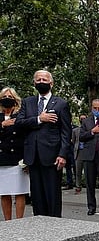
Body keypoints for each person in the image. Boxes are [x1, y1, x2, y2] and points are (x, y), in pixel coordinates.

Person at [16, 70, 72, 217]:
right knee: (37, 196)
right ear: (34, 83)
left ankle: (54, 226)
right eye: (38, 80)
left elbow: (66, 132)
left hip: (53, 157)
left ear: (51, 83)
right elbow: (19, 124)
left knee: (52, 195)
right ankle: (39, 226)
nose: (41, 82)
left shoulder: (61, 104)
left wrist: (63, 154)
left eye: (44, 79)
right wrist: (39, 119)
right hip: (33, 156)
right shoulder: (27, 102)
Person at [0, 87, 29, 220]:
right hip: (2, 159)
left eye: (10, 97)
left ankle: (19, 222)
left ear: (16, 100)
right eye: (5, 96)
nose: (7, 99)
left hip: (18, 159)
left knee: (19, 192)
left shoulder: (20, 116)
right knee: (4, 192)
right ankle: (7, 222)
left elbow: (27, 137)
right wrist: (2, 125)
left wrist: (27, 159)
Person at [72, 114, 87, 193]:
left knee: (88, 171)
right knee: (78, 171)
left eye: (84, 118)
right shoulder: (75, 130)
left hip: (88, 153)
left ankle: (89, 186)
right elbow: (74, 141)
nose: (83, 120)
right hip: (79, 152)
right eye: (81, 119)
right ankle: (78, 186)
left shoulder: (90, 130)